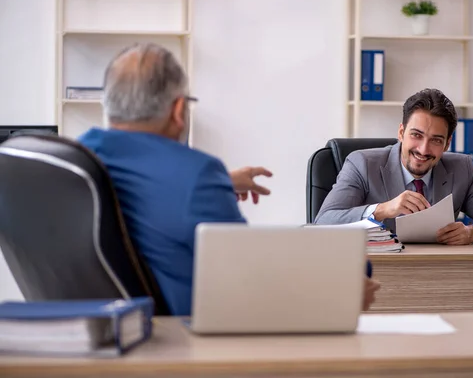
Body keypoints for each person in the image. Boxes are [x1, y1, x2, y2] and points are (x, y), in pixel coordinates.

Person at [78, 43, 379, 315]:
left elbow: (144, 184)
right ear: (179, 109)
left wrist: (221, 182)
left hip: (103, 331)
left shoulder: (77, 157)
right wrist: (338, 288)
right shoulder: (195, 174)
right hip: (193, 340)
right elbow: (248, 278)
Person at [314, 88, 473, 244]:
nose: (423, 149)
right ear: (401, 132)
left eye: (436, 140)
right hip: (374, 272)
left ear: (447, 144)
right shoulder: (362, 164)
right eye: (416, 135)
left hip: (438, 275)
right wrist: (383, 209)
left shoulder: (460, 170)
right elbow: (323, 222)